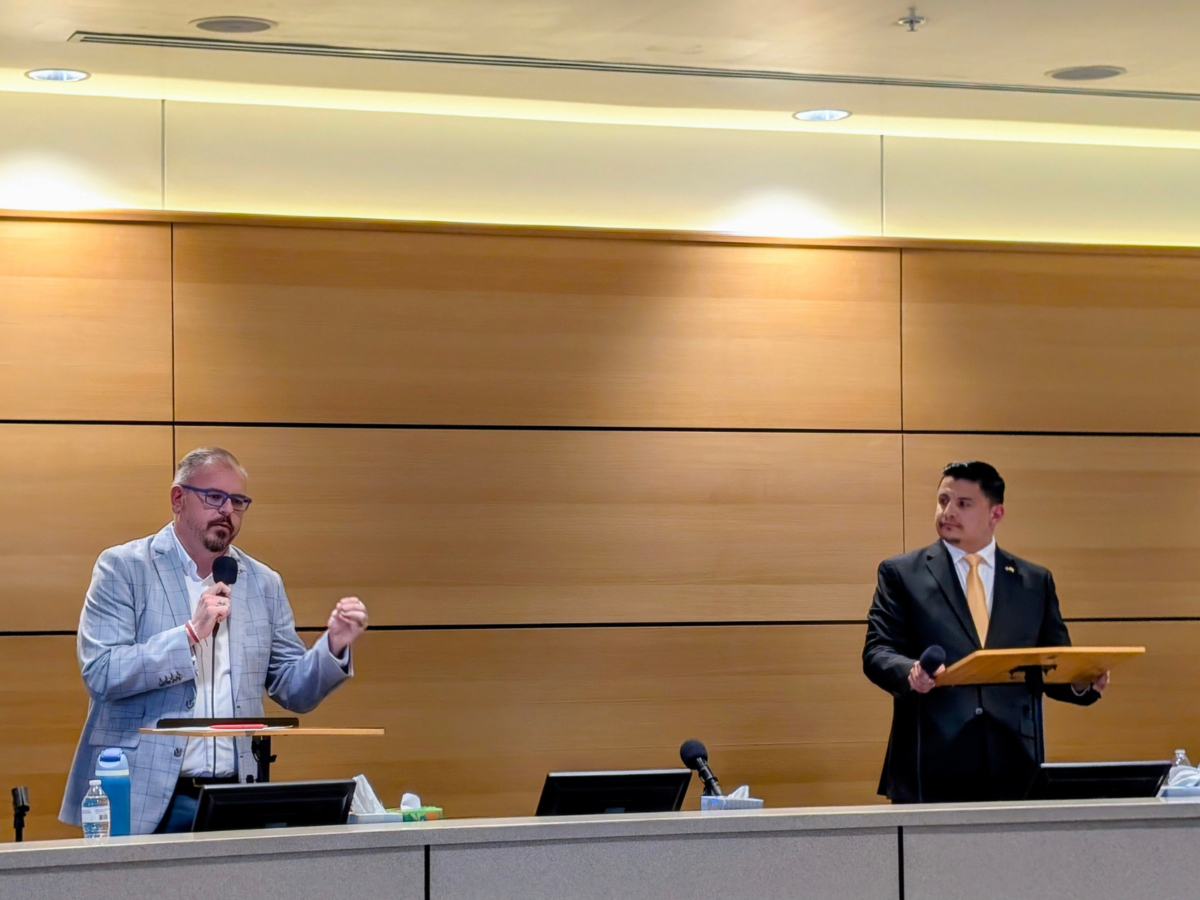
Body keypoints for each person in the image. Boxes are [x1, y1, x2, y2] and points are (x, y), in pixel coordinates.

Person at [59, 447, 369, 833]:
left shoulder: (262, 582)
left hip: (234, 797)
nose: (227, 511)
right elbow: (102, 673)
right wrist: (189, 635)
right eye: (214, 497)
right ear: (178, 499)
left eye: (238, 502)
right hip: (144, 796)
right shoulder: (124, 568)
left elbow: (294, 691)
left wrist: (333, 646)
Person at [862, 461, 1107, 803]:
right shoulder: (901, 574)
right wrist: (910, 673)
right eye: (943, 500)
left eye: (963, 503)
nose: (948, 511)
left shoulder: (1034, 581)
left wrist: (1080, 682)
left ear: (996, 513)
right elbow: (877, 651)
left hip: (1015, 763)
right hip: (930, 761)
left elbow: (1052, 664)